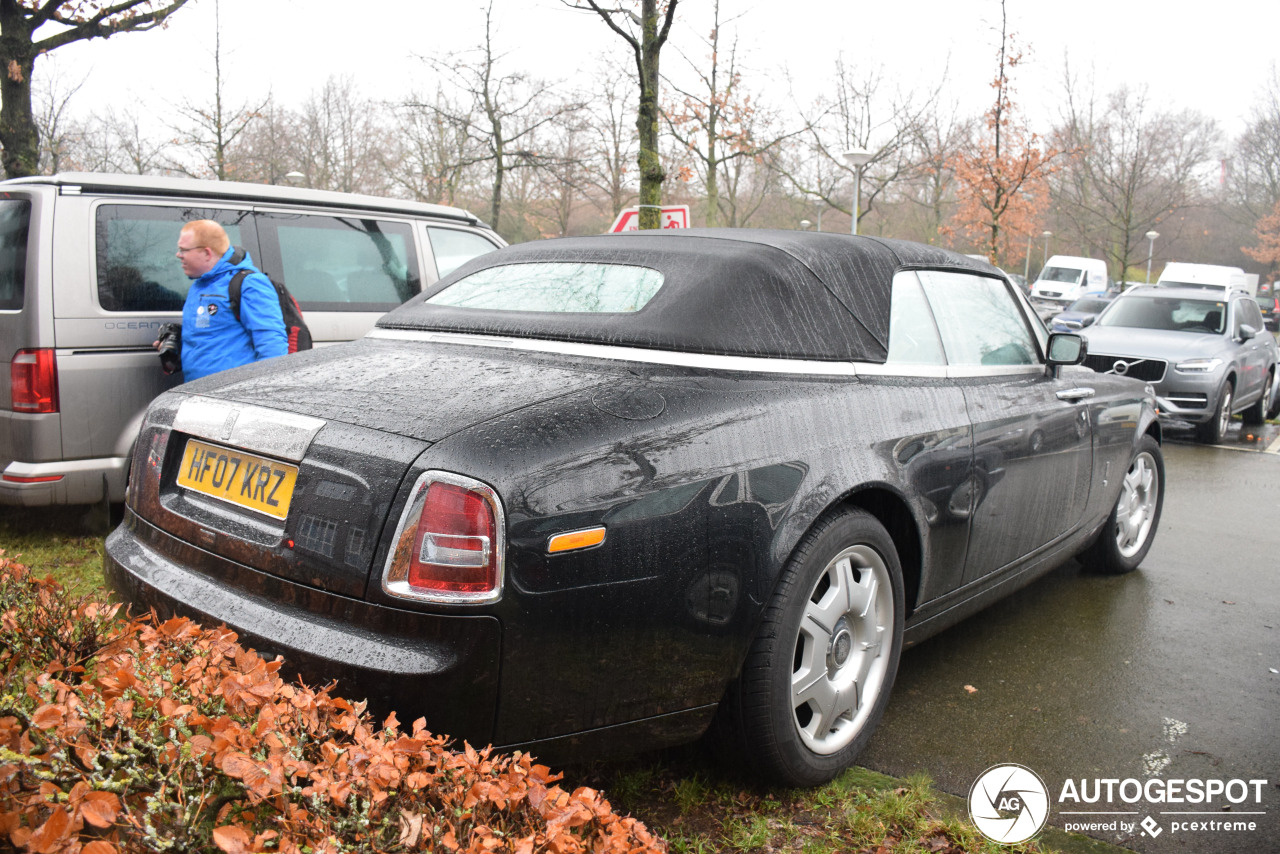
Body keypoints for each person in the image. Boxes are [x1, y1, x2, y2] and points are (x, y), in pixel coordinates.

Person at [160, 220, 288, 381]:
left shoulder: (249, 282)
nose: (178, 255)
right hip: (199, 392)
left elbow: (272, 346)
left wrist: (262, 390)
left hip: (233, 396)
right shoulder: (199, 285)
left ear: (207, 253)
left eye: (183, 250)